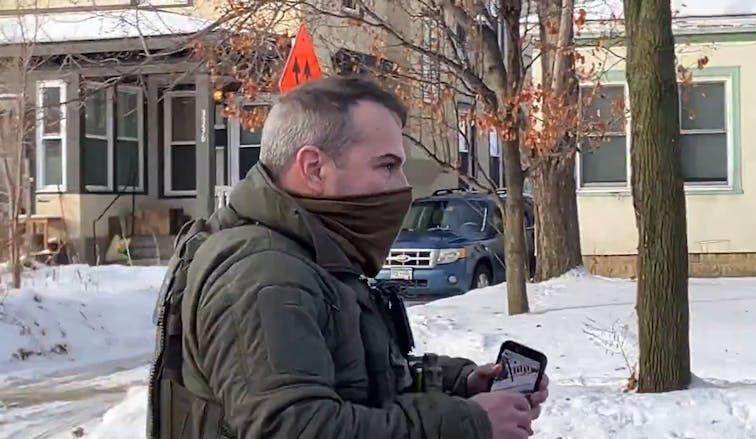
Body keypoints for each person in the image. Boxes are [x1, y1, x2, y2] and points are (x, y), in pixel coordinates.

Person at [148, 76, 548, 439]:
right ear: (314, 168)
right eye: (387, 165)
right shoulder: (263, 274)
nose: (402, 185)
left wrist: (461, 384)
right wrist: (468, 423)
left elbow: (362, 378)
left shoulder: (314, 255)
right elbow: (298, 428)